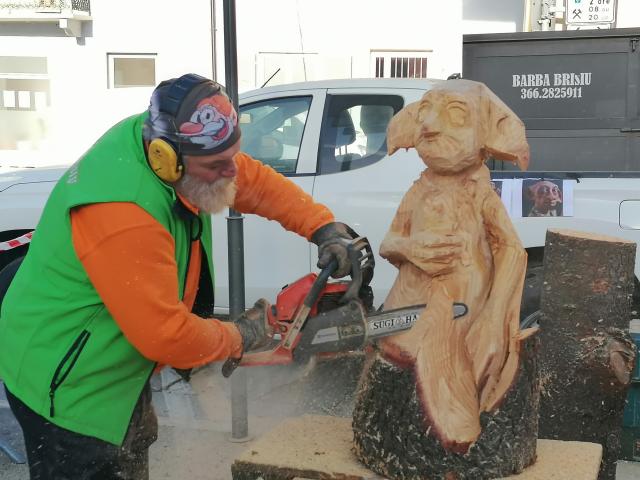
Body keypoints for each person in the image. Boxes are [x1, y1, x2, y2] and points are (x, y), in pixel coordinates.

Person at [0, 73, 363, 479]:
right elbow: (165, 335)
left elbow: (251, 180)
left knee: (132, 447)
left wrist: (321, 226)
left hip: (115, 357)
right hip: (67, 379)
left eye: (232, 156)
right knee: (98, 462)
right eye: (217, 166)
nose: (232, 172)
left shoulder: (176, 144)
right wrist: (240, 336)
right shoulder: (123, 211)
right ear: (166, 159)